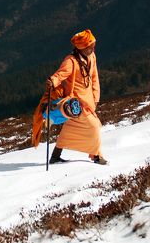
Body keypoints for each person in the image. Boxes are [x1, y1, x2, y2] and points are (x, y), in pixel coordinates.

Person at [31, 28, 107, 165]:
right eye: (90, 47)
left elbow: (94, 77)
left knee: (70, 127)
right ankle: (96, 156)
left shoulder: (92, 57)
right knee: (94, 126)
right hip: (76, 101)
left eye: (93, 46)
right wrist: (53, 81)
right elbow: (60, 74)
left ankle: (55, 156)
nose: (93, 49)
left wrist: (96, 96)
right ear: (82, 47)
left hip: (89, 99)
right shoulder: (71, 61)